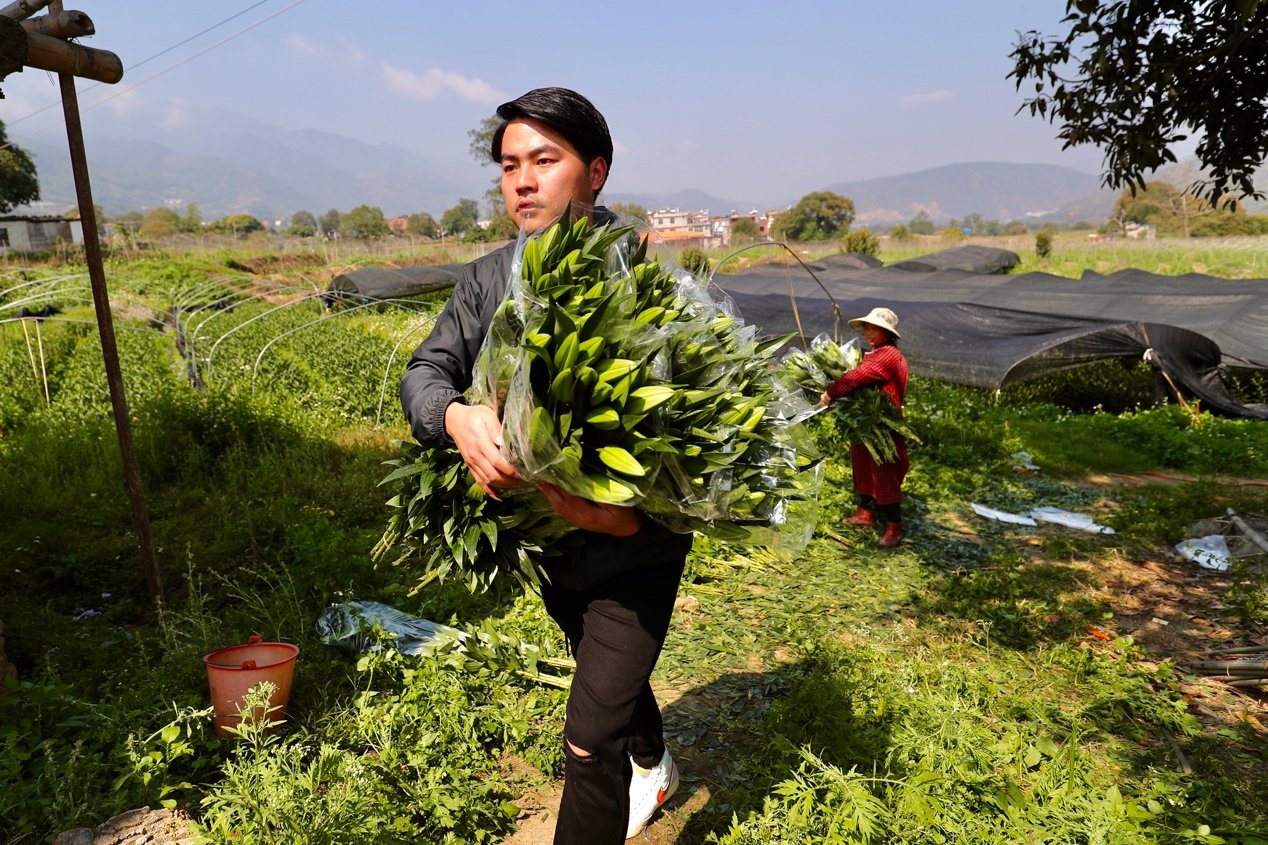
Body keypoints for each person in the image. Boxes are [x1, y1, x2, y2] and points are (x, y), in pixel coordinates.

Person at [399, 87, 688, 845]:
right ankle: (654, 755)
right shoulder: (489, 281)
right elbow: (424, 373)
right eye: (507, 166)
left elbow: (697, 455)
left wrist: (621, 512)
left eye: (544, 161)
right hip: (550, 546)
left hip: (636, 548)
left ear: (595, 173)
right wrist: (457, 416)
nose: (521, 181)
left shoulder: (652, 287)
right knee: (598, 662)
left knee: (588, 740)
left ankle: (627, 767)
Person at [818, 306, 910, 547]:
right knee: (864, 467)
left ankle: (894, 528)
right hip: (868, 422)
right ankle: (865, 513)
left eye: (875, 329)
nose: (869, 332)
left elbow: (858, 377)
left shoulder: (887, 355)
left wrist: (831, 392)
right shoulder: (877, 352)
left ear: (887, 333)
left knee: (885, 472)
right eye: (867, 328)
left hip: (882, 424)